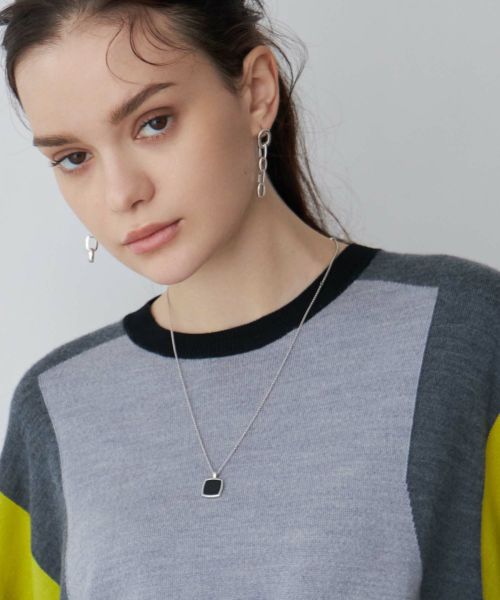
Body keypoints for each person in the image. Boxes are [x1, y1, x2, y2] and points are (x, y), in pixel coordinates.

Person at [0, 1, 498, 599]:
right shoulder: (56, 406)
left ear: (258, 92)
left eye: (153, 123)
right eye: (74, 158)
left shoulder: (460, 331)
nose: (121, 193)